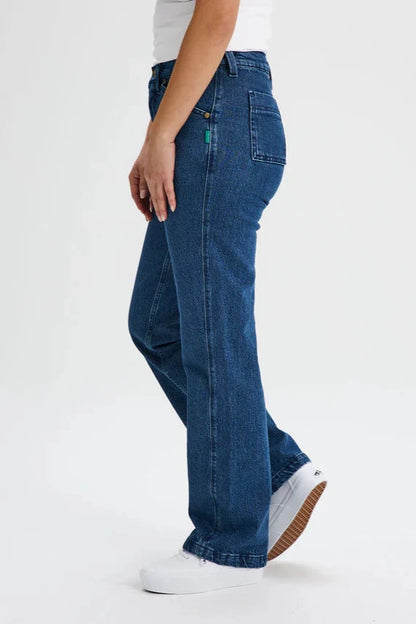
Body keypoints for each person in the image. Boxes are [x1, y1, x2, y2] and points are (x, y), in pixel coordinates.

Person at [127, 0, 327, 595]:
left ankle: (230, 541)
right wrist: (159, 131)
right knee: (159, 323)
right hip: (202, 101)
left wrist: (164, 130)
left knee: (213, 333)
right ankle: (275, 471)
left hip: (215, 106)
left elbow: (217, 15)